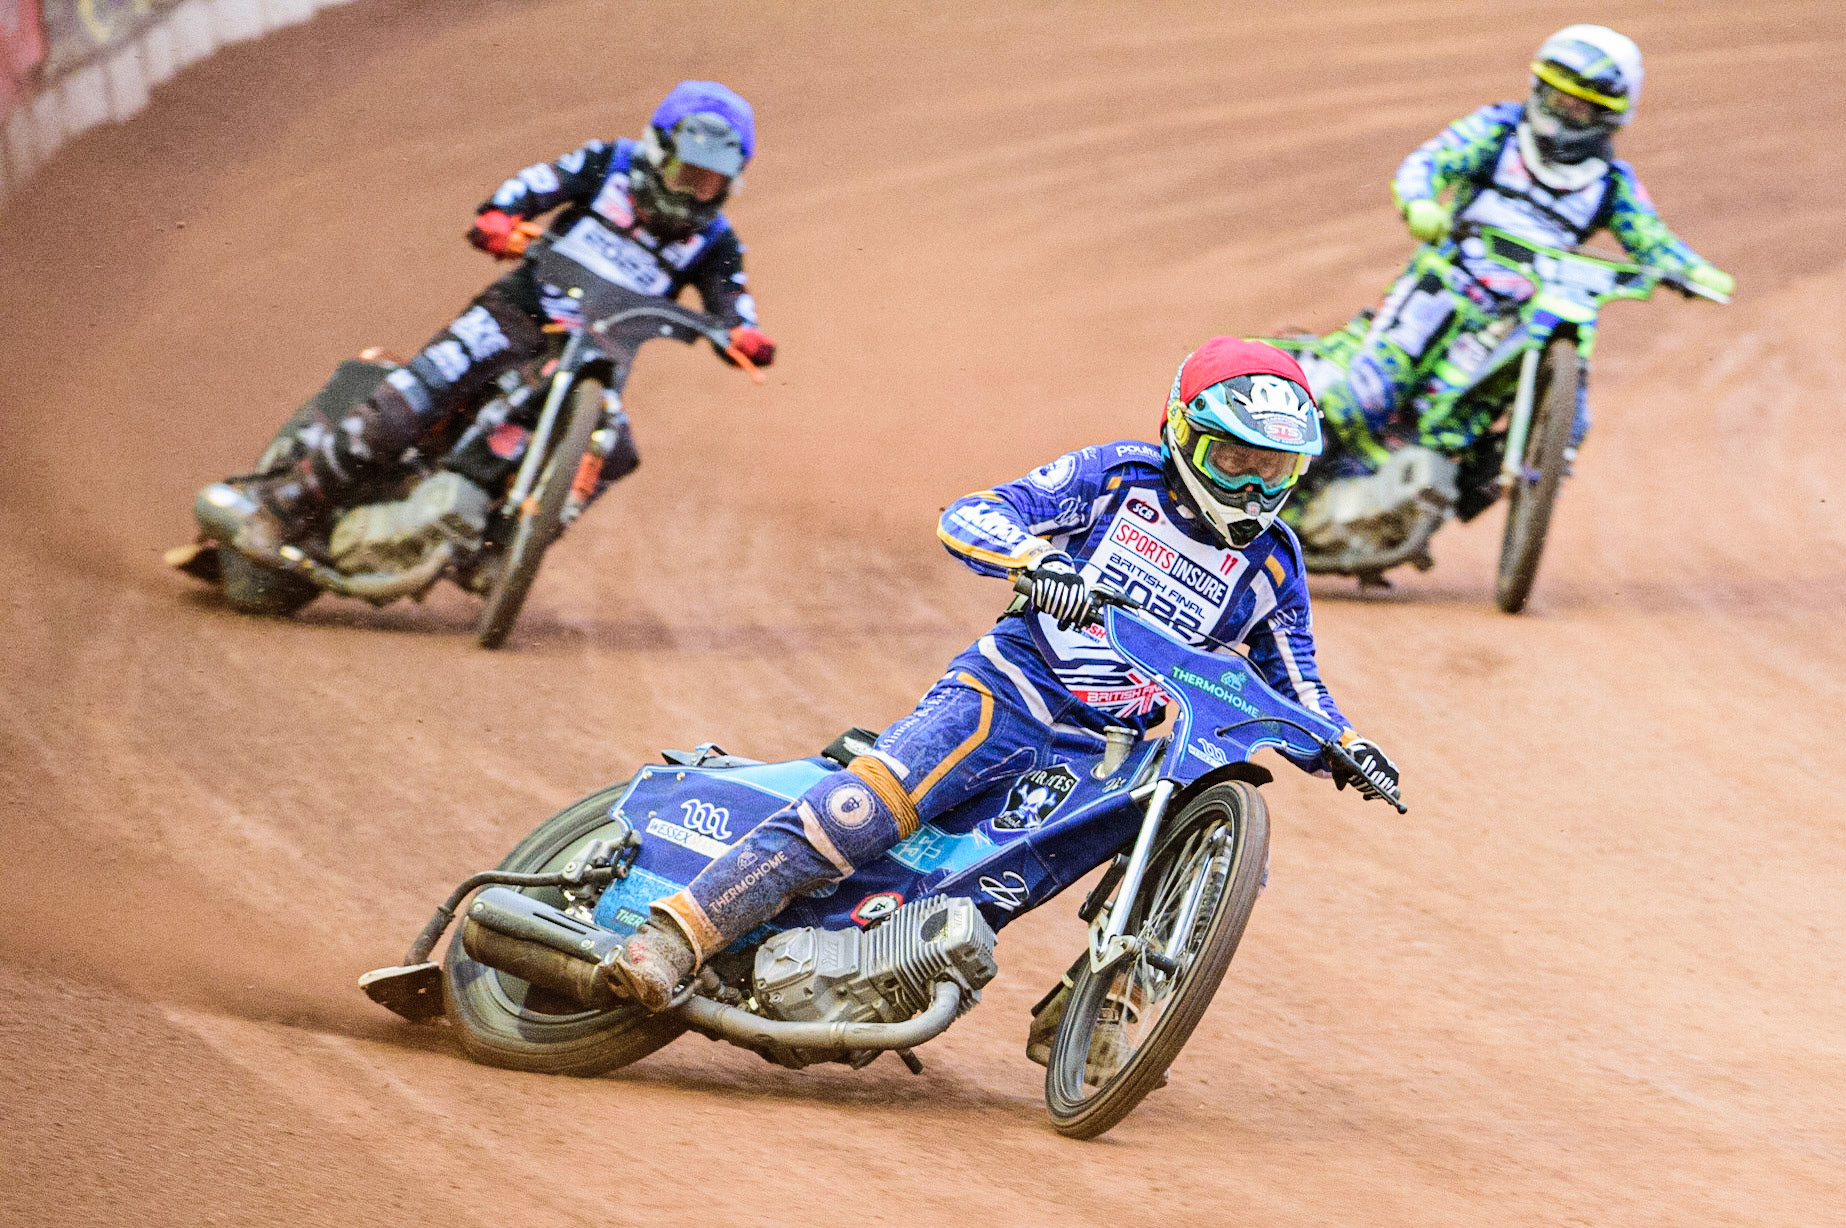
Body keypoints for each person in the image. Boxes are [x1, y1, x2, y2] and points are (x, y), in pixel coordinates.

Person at [600, 337, 1401, 1013]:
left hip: (1106, 752)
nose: (1254, 488)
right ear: (1183, 435)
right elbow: (975, 512)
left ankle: (1107, 1005)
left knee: (1195, 825)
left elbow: (1295, 681)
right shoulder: (1118, 477)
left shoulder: (1274, 562)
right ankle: (676, 936)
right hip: (1005, 692)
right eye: (1234, 460)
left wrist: (1343, 742)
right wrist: (1036, 560)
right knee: (860, 810)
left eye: (1275, 469)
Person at [206, 80, 776, 556]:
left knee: (614, 452)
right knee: (414, 396)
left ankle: (505, 551)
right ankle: (282, 505)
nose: (693, 193)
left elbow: (733, 303)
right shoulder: (609, 164)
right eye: (685, 174)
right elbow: (536, 184)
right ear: (656, 151)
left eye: (710, 183)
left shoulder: (716, 243)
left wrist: (744, 336)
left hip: (597, 361)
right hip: (516, 317)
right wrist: (500, 215)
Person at [1316, 25, 1734, 473]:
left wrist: (1692, 271)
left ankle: (1499, 482)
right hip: (1451, 284)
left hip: (1525, 319)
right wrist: (1419, 201)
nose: (1564, 114)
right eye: (1557, 98)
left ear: (1608, 116)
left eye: (1580, 107)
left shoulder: (1612, 185)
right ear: (1538, 89)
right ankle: (1298, 478)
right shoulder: (1499, 130)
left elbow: (1650, 238)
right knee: (1369, 391)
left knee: (1556, 425)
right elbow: (1431, 160)